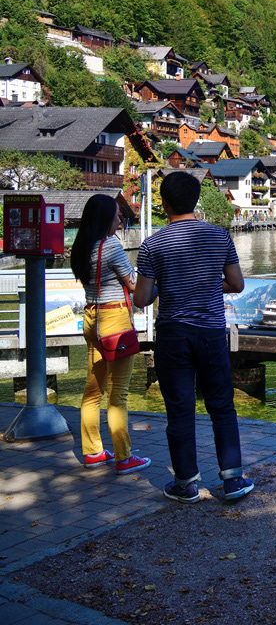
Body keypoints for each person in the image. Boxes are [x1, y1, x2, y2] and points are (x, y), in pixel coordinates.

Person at [134, 172, 253, 503]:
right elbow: (237, 284)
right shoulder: (219, 237)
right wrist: (207, 284)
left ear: (165, 204)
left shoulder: (153, 244)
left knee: (180, 408)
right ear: (196, 199)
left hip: (173, 334)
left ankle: (185, 483)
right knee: (221, 405)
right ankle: (232, 480)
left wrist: (167, 285)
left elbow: (142, 299)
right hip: (211, 333)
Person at [71, 194, 152, 476]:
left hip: (92, 317)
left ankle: (93, 451)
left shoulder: (82, 246)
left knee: (93, 390)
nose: (121, 219)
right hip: (114, 319)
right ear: (106, 218)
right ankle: (124, 457)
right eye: (117, 215)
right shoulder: (112, 247)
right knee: (120, 393)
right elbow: (132, 285)